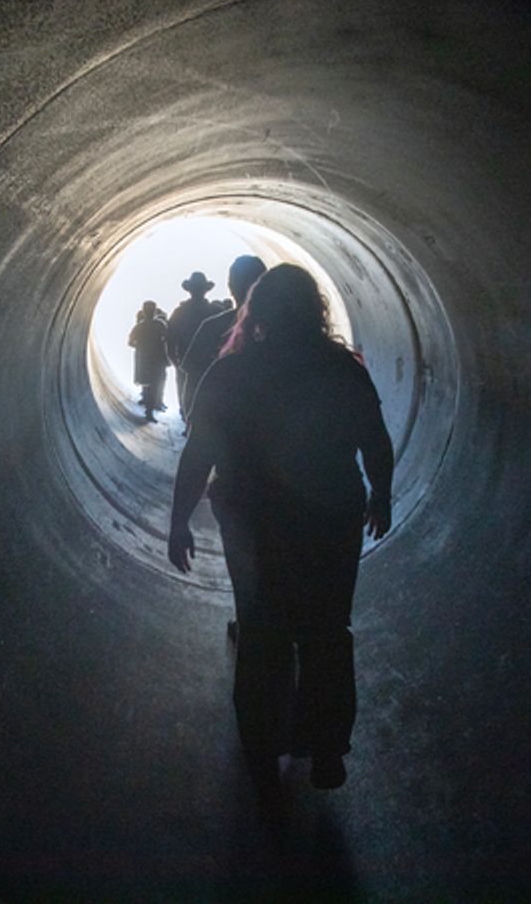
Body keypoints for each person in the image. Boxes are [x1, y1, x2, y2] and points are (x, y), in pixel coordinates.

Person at [167, 264, 394, 798]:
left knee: (262, 632)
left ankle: (261, 750)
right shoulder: (342, 369)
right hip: (331, 516)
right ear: (315, 312)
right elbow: (375, 441)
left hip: (253, 521)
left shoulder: (229, 374)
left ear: (257, 313)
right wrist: (380, 496)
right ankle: (328, 749)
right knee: (326, 632)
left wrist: (179, 521)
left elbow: (199, 455)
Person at [178, 255, 266, 422]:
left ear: (230, 287)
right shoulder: (281, 331)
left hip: (221, 426)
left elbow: (192, 377)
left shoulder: (212, 324)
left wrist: (193, 421)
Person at [166, 272, 225, 420]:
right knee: (208, 406)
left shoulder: (180, 312)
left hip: (187, 366)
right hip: (210, 366)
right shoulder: (216, 312)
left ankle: (189, 426)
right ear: (206, 290)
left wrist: (176, 363)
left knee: (187, 401)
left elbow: (170, 341)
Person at [128, 299, 168, 422]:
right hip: (158, 359)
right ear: (155, 312)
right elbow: (167, 340)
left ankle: (149, 409)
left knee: (148, 384)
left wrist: (141, 347)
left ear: (144, 312)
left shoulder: (139, 326)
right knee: (156, 384)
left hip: (145, 359)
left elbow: (130, 342)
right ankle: (151, 409)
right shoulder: (160, 325)